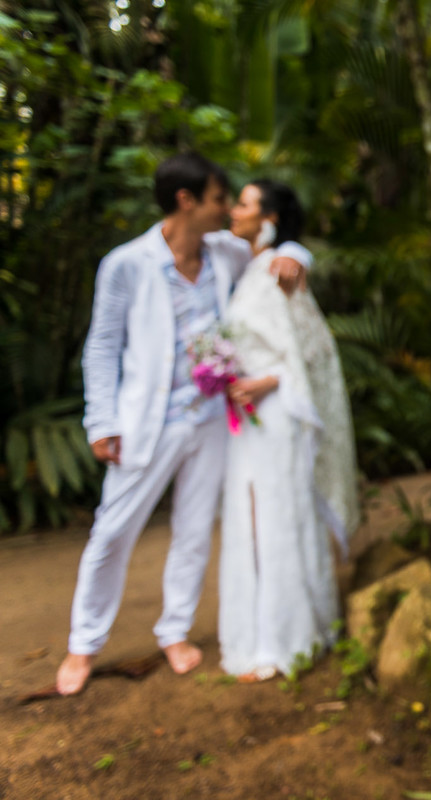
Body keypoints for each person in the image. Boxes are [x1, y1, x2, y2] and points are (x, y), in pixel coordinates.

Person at [57, 154, 312, 696]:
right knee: (112, 533)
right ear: (186, 201)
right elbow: (103, 346)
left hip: (214, 422)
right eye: (221, 198)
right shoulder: (126, 264)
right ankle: (83, 645)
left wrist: (294, 252)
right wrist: (100, 420)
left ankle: (174, 631)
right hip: (146, 425)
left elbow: (280, 247)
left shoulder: (223, 252)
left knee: (194, 533)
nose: (227, 209)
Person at [219, 179, 359, 681]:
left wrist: (263, 381)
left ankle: (290, 638)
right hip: (248, 415)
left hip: (278, 409)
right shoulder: (242, 265)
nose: (234, 210)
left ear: (270, 217)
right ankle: (258, 635)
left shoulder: (280, 270)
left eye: (244, 203)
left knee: (280, 514)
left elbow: (303, 350)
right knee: (251, 515)